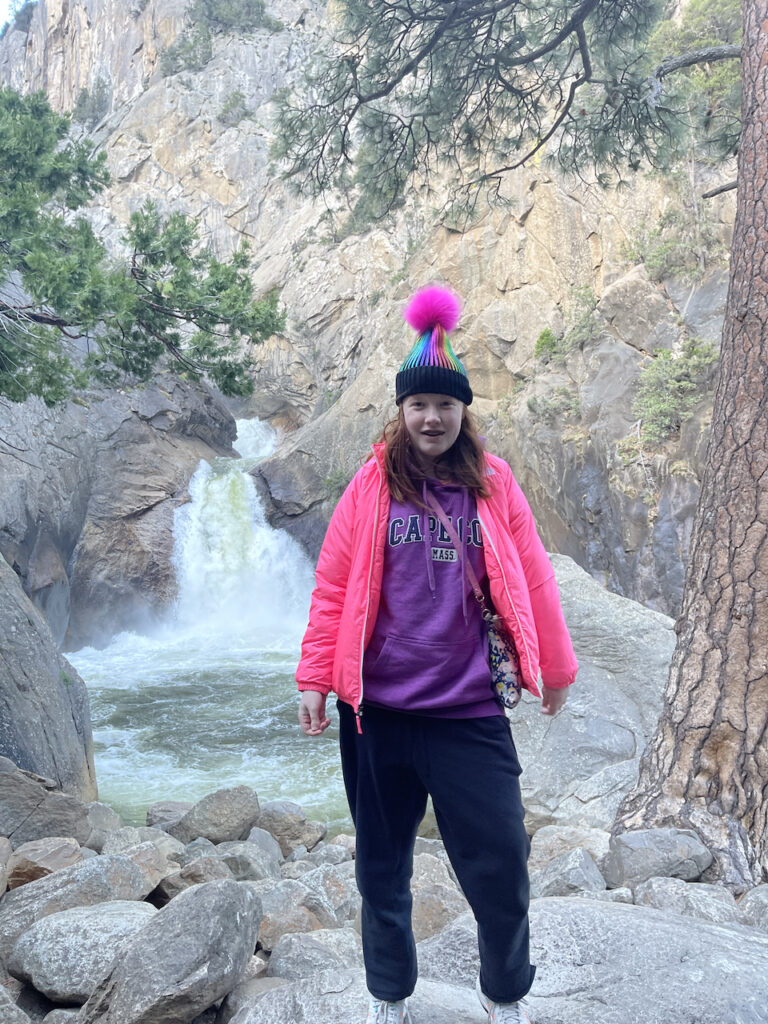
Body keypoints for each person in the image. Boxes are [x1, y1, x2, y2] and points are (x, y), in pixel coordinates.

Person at [296, 285, 578, 1024]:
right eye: (418, 405)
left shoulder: (493, 484)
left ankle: (503, 994)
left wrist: (557, 665)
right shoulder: (368, 487)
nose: (431, 418)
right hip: (378, 714)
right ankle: (390, 997)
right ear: (401, 411)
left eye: (445, 406)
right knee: (381, 870)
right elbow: (332, 588)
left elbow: (533, 575)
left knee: (503, 864)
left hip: (468, 713)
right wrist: (315, 678)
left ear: (462, 412)